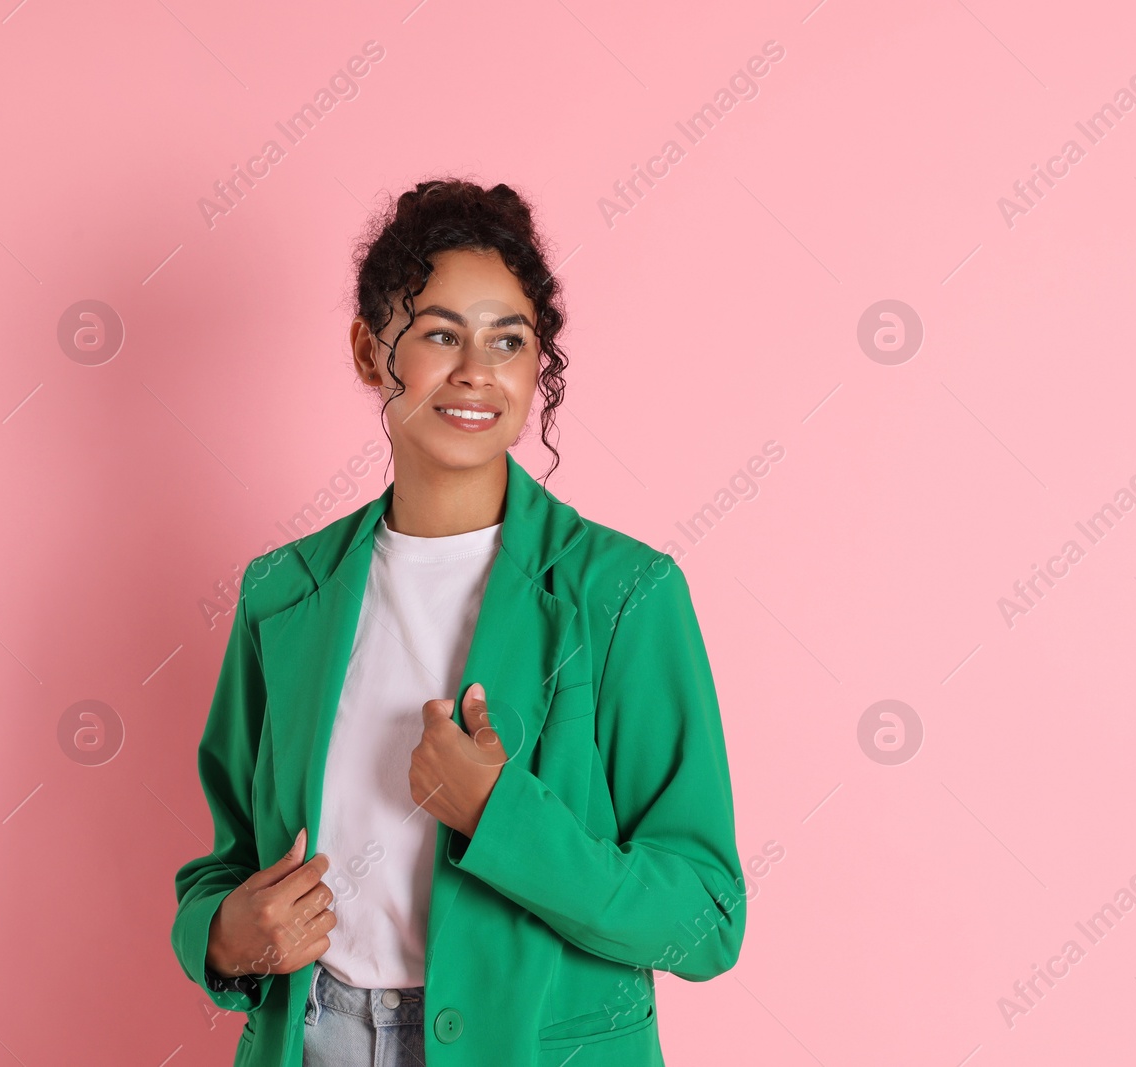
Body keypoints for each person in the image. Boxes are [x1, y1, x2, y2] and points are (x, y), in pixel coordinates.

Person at [169, 178, 746, 1065]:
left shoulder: (624, 594)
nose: (476, 369)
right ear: (371, 353)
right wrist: (220, 935)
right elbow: (223, 867)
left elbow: (703, 920)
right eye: (440, 333)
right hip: (313, 1038)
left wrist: (498, 813)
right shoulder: (282, 594)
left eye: (509, 340)